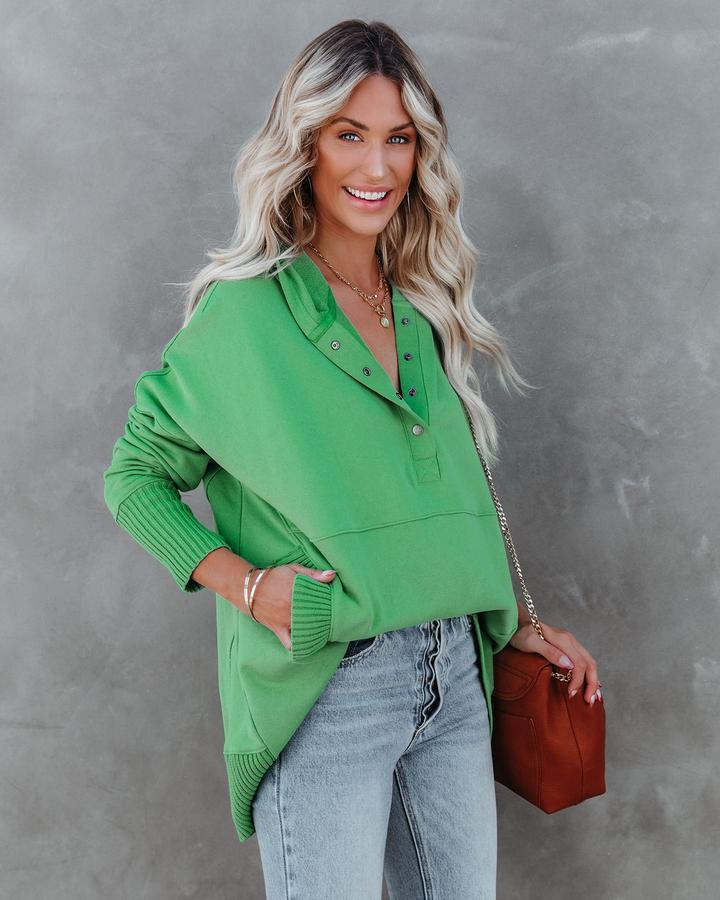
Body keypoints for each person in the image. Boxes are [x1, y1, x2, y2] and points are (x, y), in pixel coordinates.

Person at [102, 19, 602, 900]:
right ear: (305, 145)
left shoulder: (419, 302)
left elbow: (446, 496)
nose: (377, 167)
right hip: (330, 687)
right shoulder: (244, 316)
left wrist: (510, 621)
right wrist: (250, 588)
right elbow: (133, 478)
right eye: (349, 135)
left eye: (399, 139)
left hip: (455, 675)